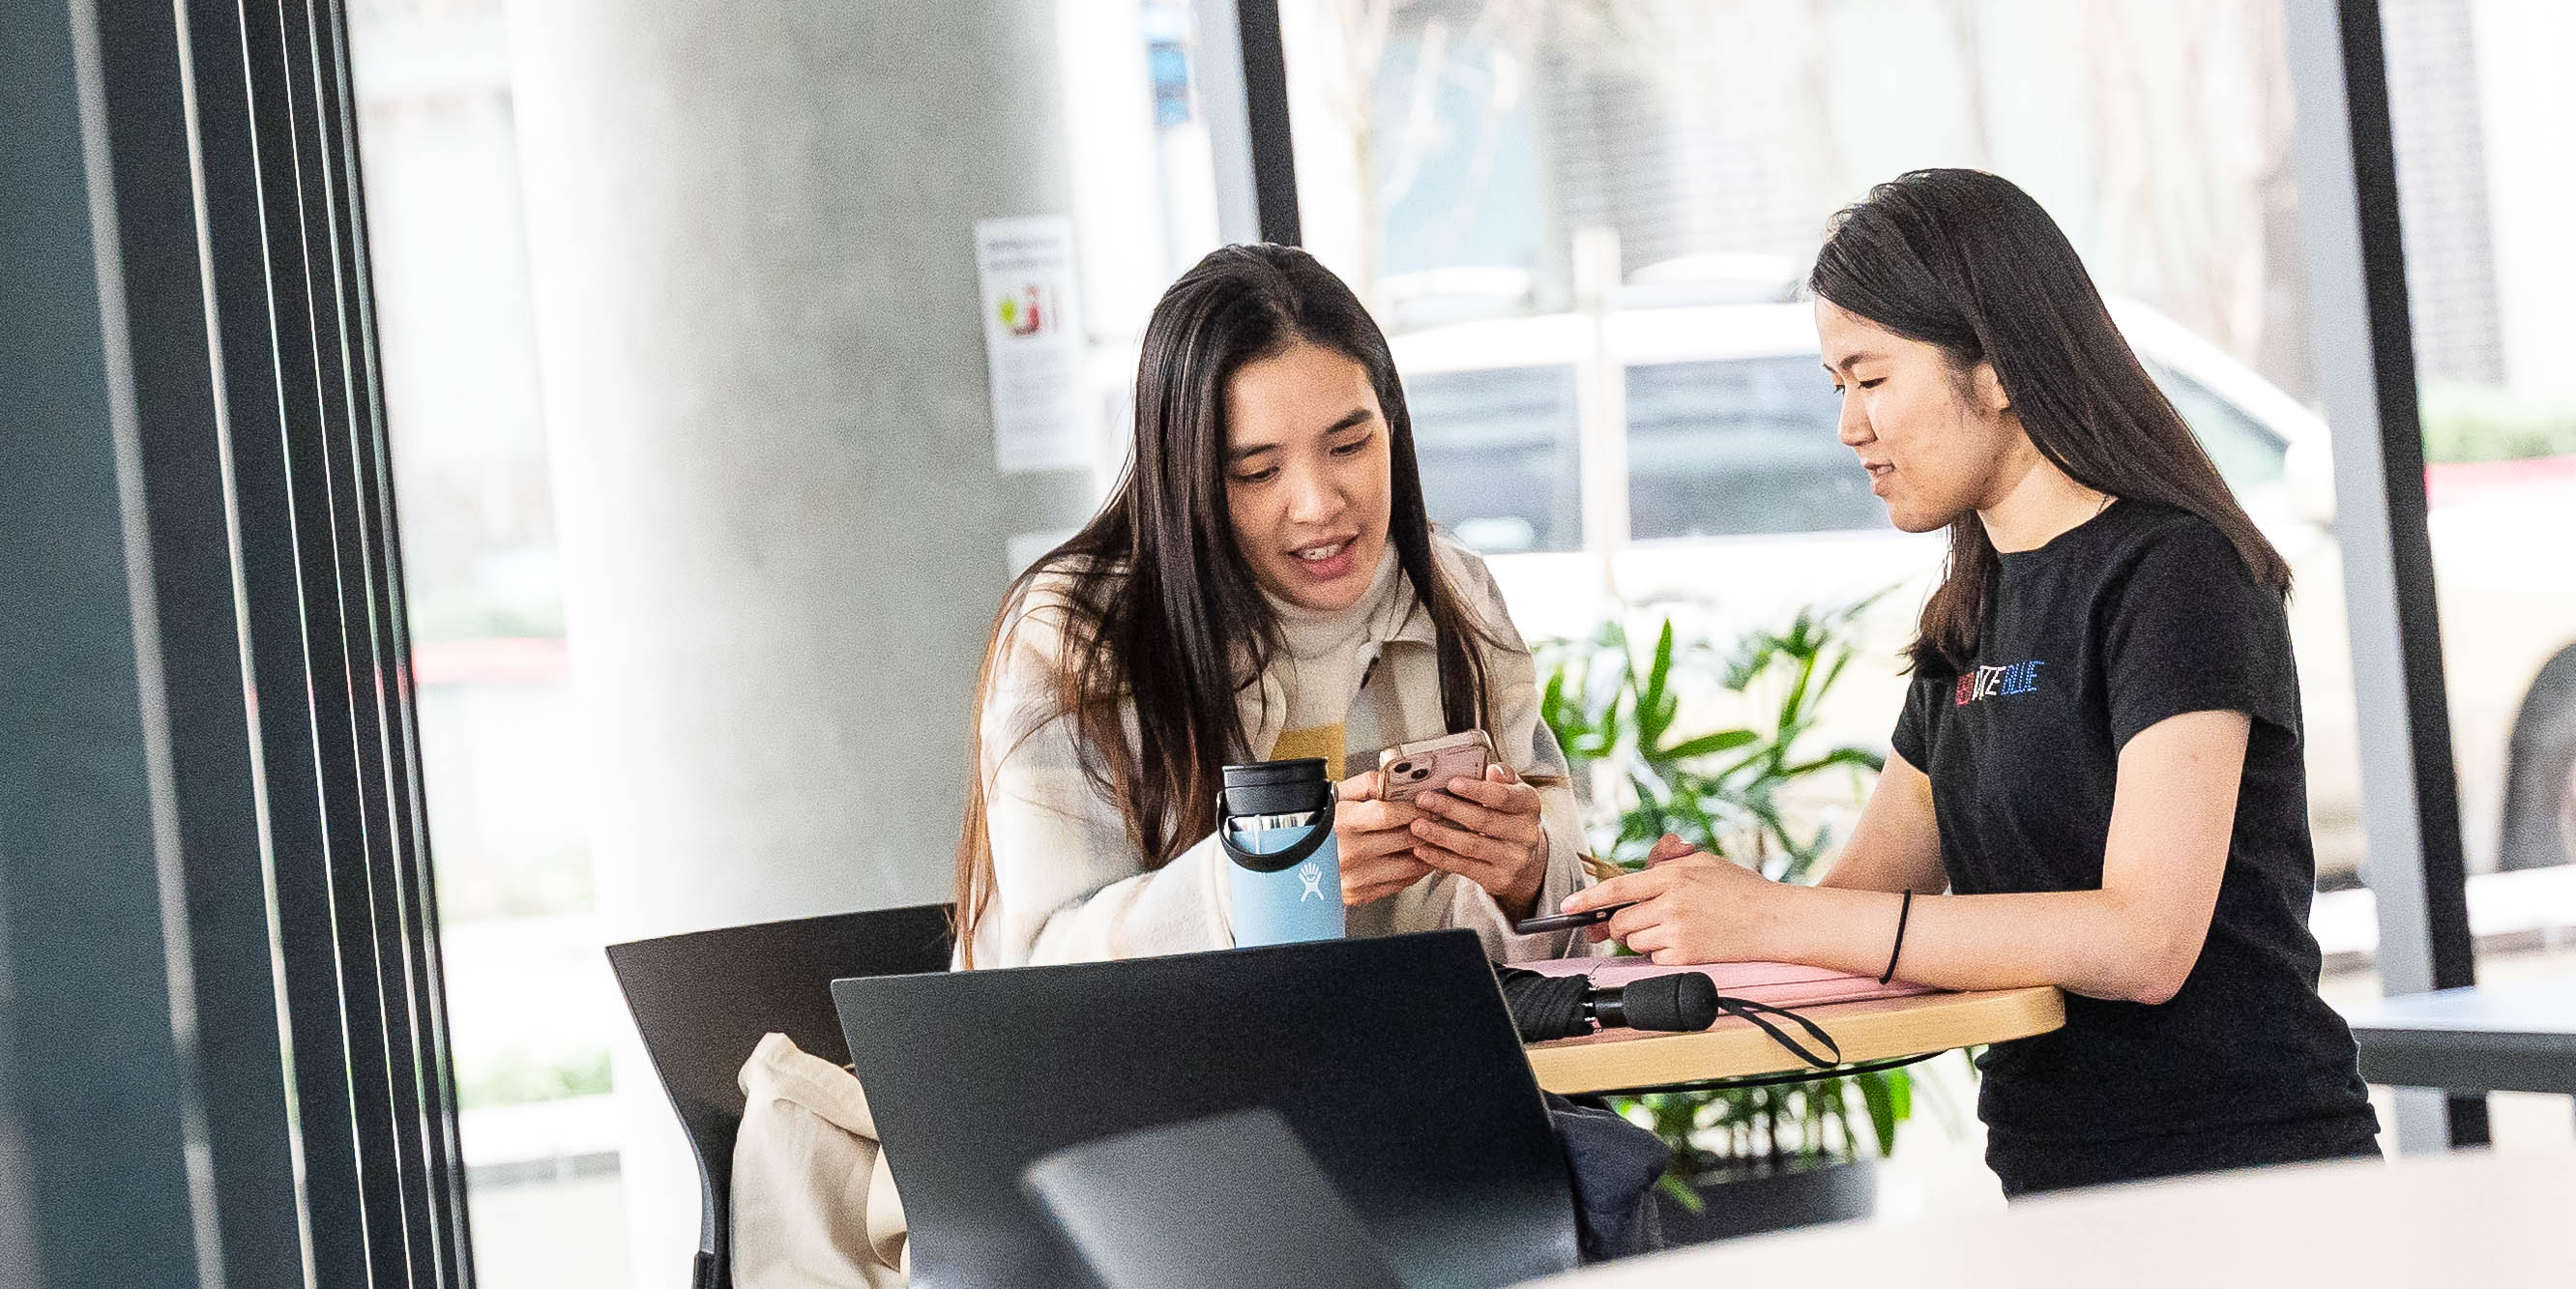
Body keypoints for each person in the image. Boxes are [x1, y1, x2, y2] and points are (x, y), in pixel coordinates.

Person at [1564, 166, 2379, 1197]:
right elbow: (1865, 908)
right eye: (1836, 386)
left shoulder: (2179, 576)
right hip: (2055, 1178)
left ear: (1994, 367)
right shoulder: (1970, 613)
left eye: (1872, 377)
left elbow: (2144, 940)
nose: (1849, 427)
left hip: (2254, 1177)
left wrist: (1776, 918)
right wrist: (1688, 910)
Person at [954, 244, 1587, 967]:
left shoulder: (1452, 595)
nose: (1319, 505)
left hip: (1421, 1067)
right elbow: (1040, 969)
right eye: (1257, 472)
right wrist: (1271, 884)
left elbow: (1570, 925)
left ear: (1394, 431)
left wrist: (1528, 878)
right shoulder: (1077, 636)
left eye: (1350, 446)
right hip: (1178, 1081)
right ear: (1185, 478)